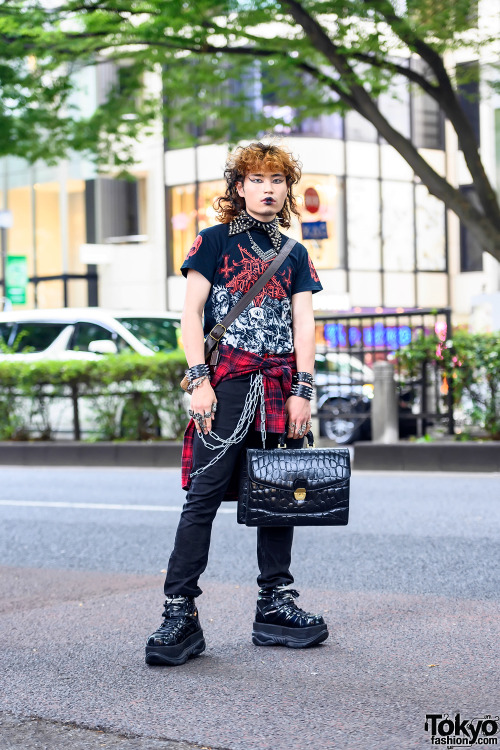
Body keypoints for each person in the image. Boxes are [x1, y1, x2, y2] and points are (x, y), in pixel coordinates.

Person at [146, 141, 326, 667]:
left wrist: (304, 389)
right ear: (240, 187)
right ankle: (179, 611)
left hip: (279, 384)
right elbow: (191, 314)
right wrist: (198, 378)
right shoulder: (213, 240)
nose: (268, 188)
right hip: (225, 381)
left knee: (278, 496)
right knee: (201, 498)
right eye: (258, 179)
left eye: (277, 180)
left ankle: (275, 604)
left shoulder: (295, 253)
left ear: (286, 189)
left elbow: (305, 324)